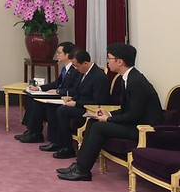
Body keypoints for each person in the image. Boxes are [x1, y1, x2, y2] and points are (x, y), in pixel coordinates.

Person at [57, 43, 163, 181]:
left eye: (109, 58)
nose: (107, 62)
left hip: (143, 128)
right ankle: (79, 165)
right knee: (93, 121)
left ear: (120, 62)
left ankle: (82, 170)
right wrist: (109, 114)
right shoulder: (127, 78)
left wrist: (108, 119)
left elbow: (134, 115)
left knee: (99, 127)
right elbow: (126, 109)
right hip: (133, 123)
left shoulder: (136, 82)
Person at [16, 42, 79, 146]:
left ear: (68, 55)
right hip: (57, 94)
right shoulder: (65, 68)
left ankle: (37, 134)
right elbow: (56, 83)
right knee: (32, 97)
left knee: (38, 102)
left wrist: (58, 91)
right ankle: (31, 130)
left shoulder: (76, 69)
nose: (57, 55)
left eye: (59, 53)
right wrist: (39, 88)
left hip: (64, 97)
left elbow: (75, 89)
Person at [50, 49, 109, 159]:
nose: (75, 69)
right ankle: (58, 142)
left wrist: (76, 103)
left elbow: (98, 101)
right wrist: (71, 98)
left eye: (76, 66)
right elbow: (79, 91)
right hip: (81, 104)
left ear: (85, 63)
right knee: (56, 107)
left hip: (90, 109)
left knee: (62, 111)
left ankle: (68, 148)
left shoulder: (99, 77)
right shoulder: (83, 72)